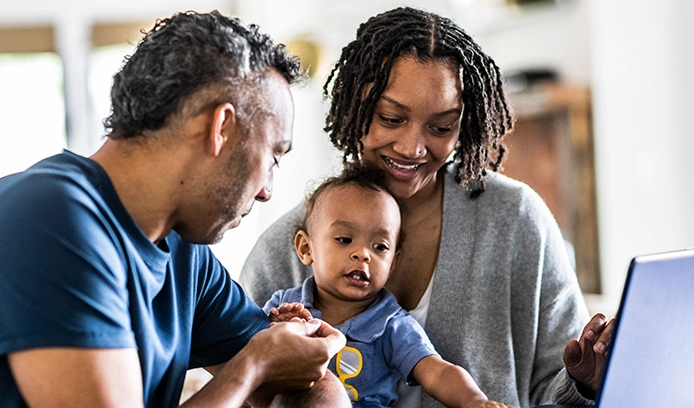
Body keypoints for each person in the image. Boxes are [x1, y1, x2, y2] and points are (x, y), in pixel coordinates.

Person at [0, 11, 349, 408]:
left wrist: (292, 363)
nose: (268, 190)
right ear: (220, 128)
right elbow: (262, 363)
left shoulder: (183, 251)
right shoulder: (46, 220)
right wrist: (252, 366)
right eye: (272, 156)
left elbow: (303, 377)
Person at [240, 7, 615, 408]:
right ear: (353, 106)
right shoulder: (282, 249)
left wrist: (586, 385)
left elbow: (554, 392)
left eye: (440, 128)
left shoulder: (515, 220)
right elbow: (244, 385)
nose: (412, 148)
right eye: (390, 118)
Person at [264, 163, 514, 408]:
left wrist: (474, 401)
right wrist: (278, 333)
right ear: (306, 248)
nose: (363, 254)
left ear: (393, 263)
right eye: (344, 239)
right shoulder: (283, 307)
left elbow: (437, 371)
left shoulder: (391, 324)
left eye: (379, 247)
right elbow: (248, 360)